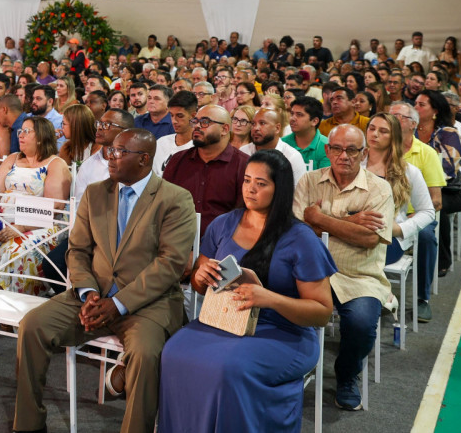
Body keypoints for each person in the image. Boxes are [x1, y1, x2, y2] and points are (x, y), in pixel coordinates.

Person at [14, 128, 195, 433]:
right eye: (111, 150)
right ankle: (29, 424)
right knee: (32, 326)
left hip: (147, 303)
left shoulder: (174, 199)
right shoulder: (96, 193)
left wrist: (119, 304)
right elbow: (78, 250)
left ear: (144, 159)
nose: (111, 157)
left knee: (146, 354)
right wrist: (87, 294)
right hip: (93, 296)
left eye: (121, 151)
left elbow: (170, 264)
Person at [159, 150, 336, 433]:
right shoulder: (224, 224)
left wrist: (270, 299)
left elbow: (321, 312)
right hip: (225, 321)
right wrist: (199, 276)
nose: (250, 189)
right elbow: (199, 284)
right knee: (173, 353)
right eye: (246, 180)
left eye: (261, 183)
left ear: (280, 189)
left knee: (227, 368)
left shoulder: (300, 238)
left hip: (284, 333)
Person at [292, 125, 395, 410]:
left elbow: (369, 238)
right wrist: (351, 221)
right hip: (310, 271)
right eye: (336, 148)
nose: (343, 156)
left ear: (364, 154)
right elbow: (297, 230)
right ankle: (288, 369)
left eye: (352, 150)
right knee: (275, 307)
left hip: (359, 275)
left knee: (362, 324)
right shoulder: (308, 181)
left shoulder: (378, 188)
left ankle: (347, 374)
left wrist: (320, 219)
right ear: (327, 150)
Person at [0, 116, 71, 295]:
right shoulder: (12, 158)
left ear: (41, 136)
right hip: (5, 219)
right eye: (20, 131)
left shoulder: (55, 164)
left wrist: (22, 226)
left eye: (27, 131)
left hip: (41, 224)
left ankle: (16, 303)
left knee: (14, 250)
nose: (21, 135)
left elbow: (53, 207)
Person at [364, 113, 435, 282]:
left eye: (383, 131)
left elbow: (427, 211)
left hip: (389, 238)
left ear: (394, 136)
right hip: (353, 231)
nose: (375, 134)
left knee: (358, 257)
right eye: (372, 129)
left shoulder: (408, 172)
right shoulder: (353, 164)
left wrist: (400, 229)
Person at [162, 105, 248, 234]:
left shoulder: (244, 164)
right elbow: (164, 204)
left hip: (221, 244)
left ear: (224, 129)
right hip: (178, 239)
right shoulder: (178, 160)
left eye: (205, 122)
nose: (197, 126)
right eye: (195, 121)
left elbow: (243, 215)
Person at [414, 90, 461, 276]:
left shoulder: (447, 133)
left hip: (452, 191)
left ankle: (441, 258)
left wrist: (416, 180)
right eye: (415, 103)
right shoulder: (410, 132)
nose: (415, 107)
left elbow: (448, 171)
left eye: (421, 105)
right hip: (416, 187)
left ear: (435, 111)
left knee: (433, 206)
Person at [240, 108, 308, 183]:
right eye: (253, 124)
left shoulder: (292, 157)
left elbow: (299, 192)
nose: (255, 128)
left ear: (277, 128)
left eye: (262, 123)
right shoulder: (243, 152)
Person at [151, 90, 197, 176]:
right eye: (171, 115)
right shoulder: (161, 142)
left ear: (193, 116)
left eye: (180, 116)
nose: (174, 121)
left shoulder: (199, 147)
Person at [283, 96, 329, 172]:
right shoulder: (282, 143)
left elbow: (324, 181)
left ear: (314, 121)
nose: (292, 118)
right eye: (292, 114)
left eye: (299, 115)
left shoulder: (326, 146)